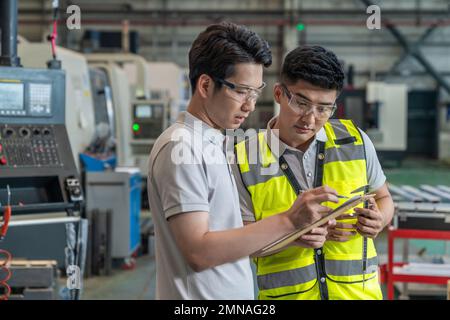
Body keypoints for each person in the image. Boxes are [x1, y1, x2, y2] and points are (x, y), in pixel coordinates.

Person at [147, 23, 339, 300]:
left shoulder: (213, 143)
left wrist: (292, 235)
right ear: (205, 84)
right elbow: (198, 252)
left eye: (255, 92)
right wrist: (288, 220)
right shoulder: (182, 147)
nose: (249, 105)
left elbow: (228, 238)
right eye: (240, 91)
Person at [233, 45, 395, 300]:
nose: (310, 118)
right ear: (279, 93)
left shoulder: (355, 141)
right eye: (301, 102)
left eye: (324, 108)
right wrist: (295, 235)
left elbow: (384, 198)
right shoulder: (244, 158)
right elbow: (241, 241)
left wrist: (378, 220)